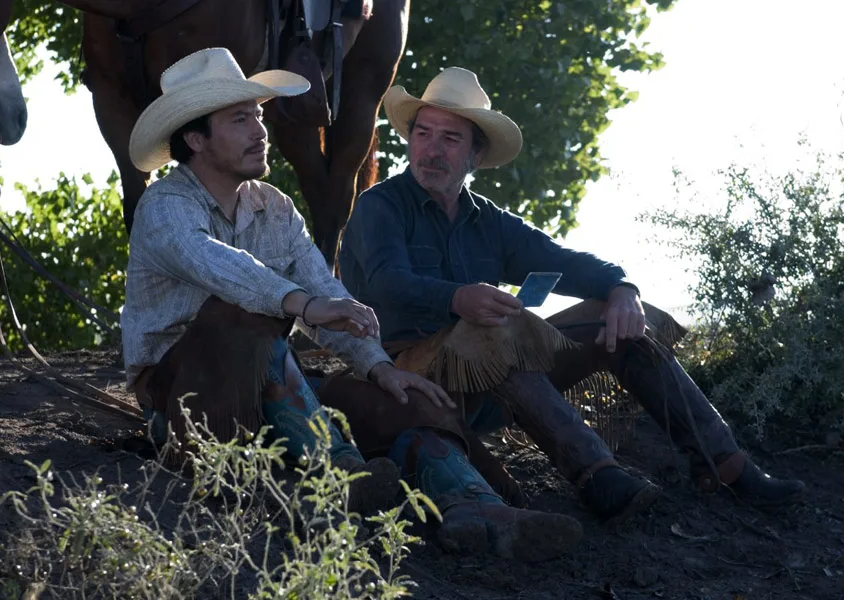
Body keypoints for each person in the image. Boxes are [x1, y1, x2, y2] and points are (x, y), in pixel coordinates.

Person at [120, 48, 583, 561]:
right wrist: (300, 304)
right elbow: (217, 266)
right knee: (244, 316)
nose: (260, 130)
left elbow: (328, 295)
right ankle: (338, 470)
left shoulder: (275, 208)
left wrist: (380, 367)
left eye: (258, 115)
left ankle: (475, 507)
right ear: (196, 139)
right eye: (240, 120)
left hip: (275, 387)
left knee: (403, 400)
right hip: (184, 399)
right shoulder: (165, 205)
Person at [337, 66, 806, 524]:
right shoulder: (380, 205)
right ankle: (598, 476)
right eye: (423, 134)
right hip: (406, 375)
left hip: (491, 382)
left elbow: (564, 260)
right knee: (494, 330)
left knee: (617, 318)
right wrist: (457, 298)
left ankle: (726, 464)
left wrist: (622, 288)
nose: (432, 150)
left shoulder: (490, 220)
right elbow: (384, 283)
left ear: (475, 156)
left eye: (450, 138)